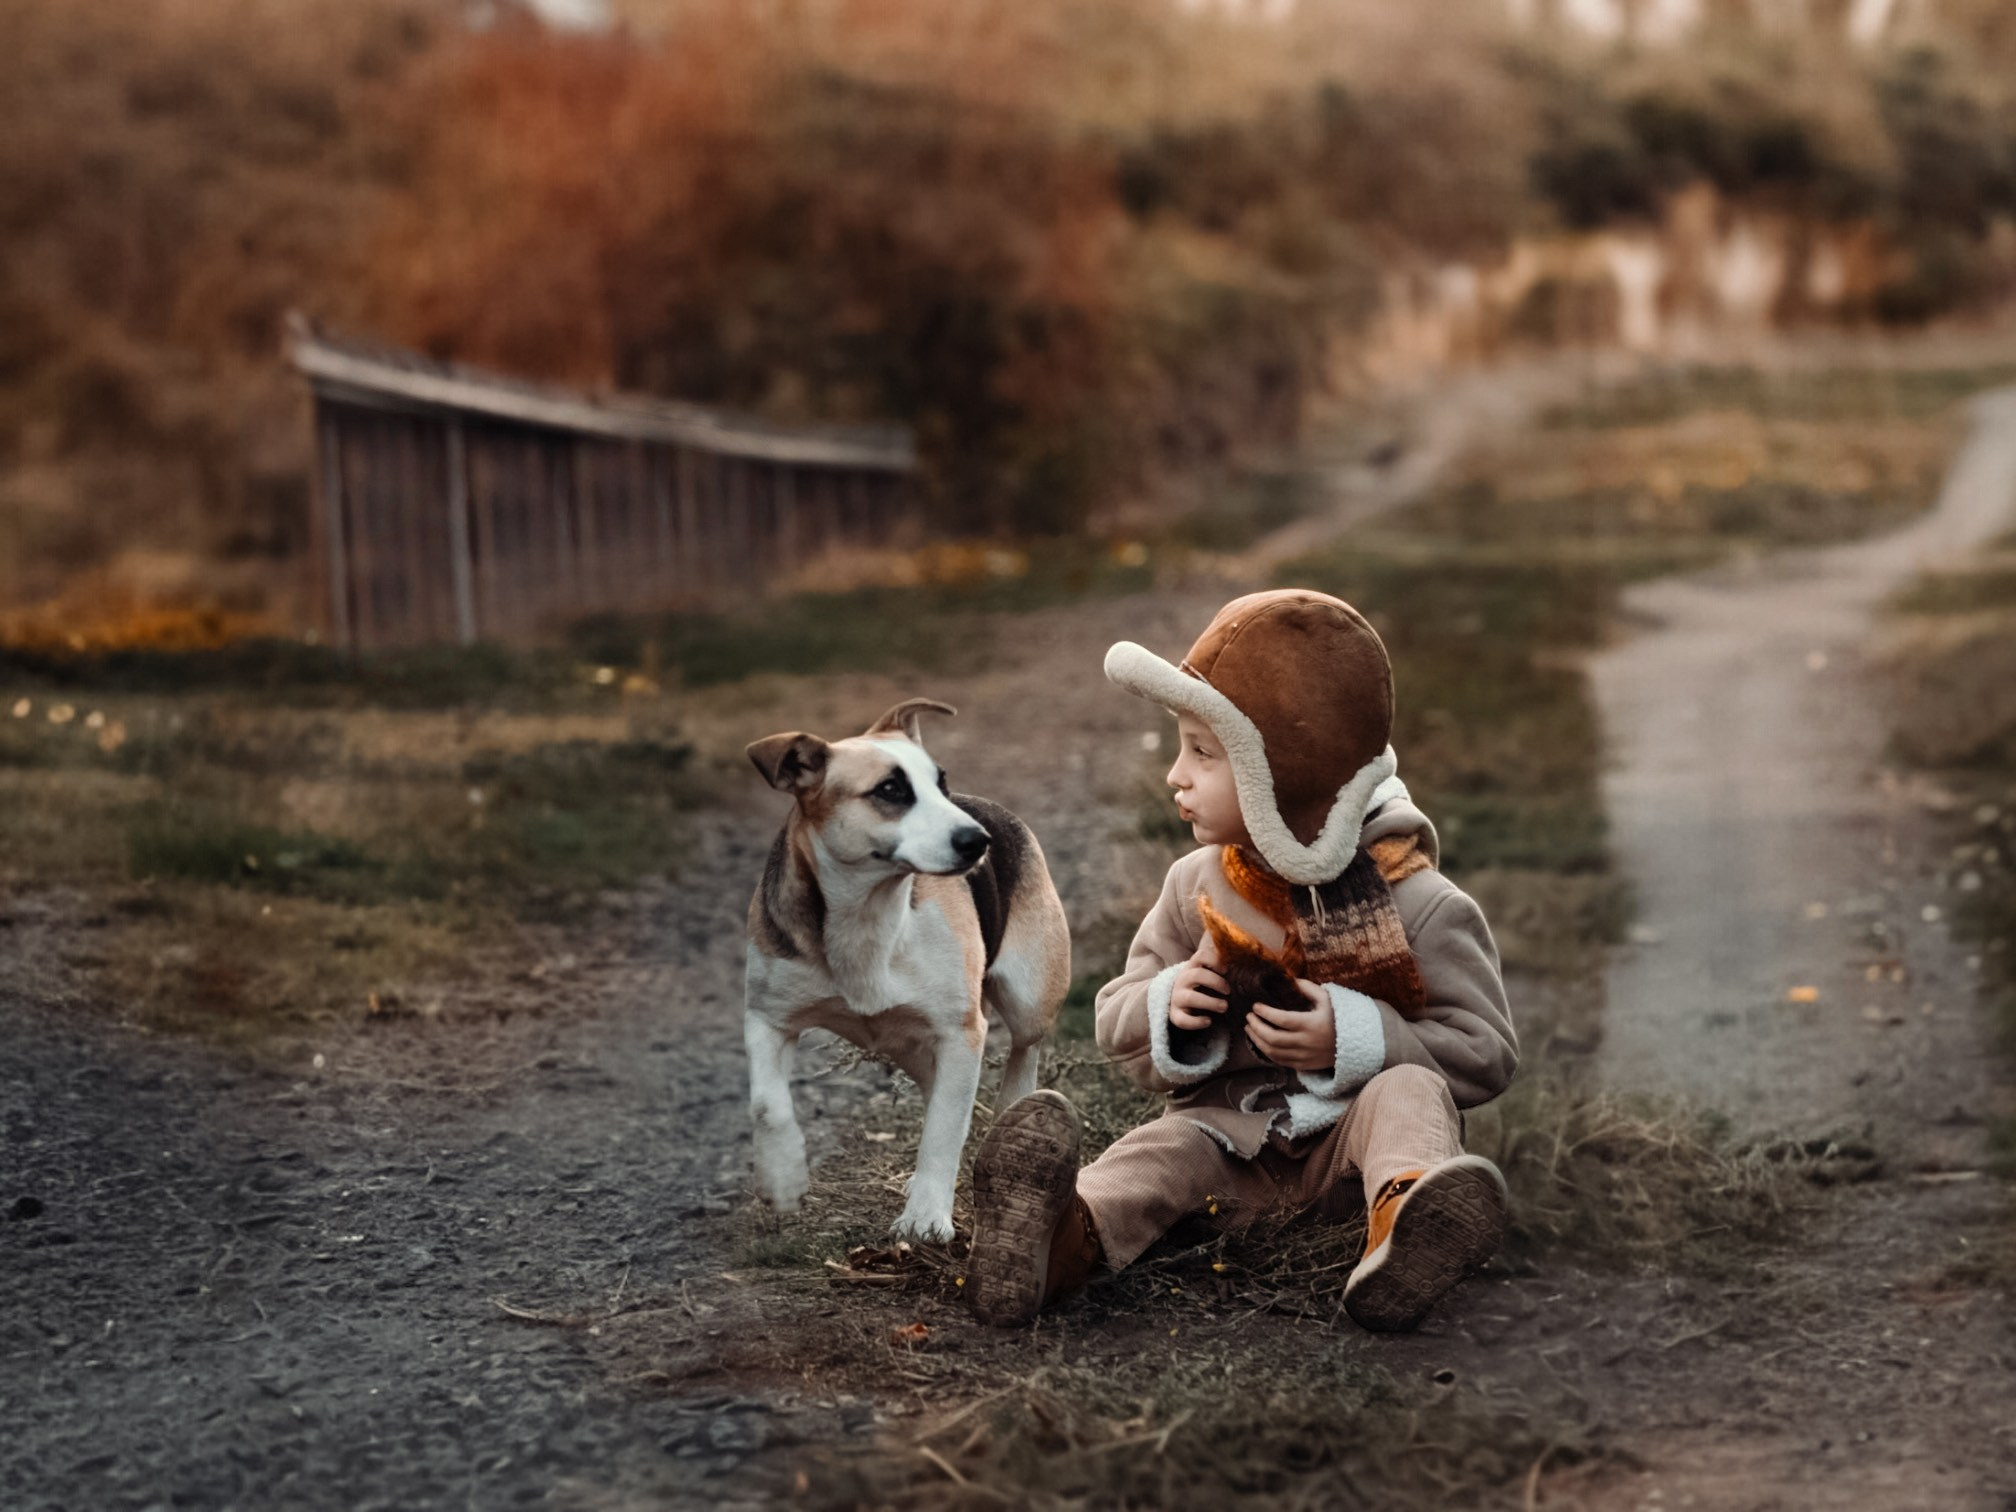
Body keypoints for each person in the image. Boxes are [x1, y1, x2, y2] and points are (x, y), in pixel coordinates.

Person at [966, 589, 1518, 1330]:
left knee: (1410, 1090)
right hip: (1225, 1146)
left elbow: (1485, 1055)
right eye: (1181, 747)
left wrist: (1357, 1036)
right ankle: (1054, 1241)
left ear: (1279, 781)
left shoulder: (1420, 903)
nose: (1175, 776)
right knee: (1156, 1152)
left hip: (1347, 1165)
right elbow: (1116, 1021)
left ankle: (1409, 1224)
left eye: (1202, 752)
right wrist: (1169, 1004)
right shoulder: (1197, 888)